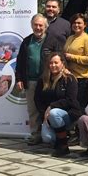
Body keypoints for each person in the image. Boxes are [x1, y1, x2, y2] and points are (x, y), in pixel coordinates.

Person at [16, 13, 60, 145]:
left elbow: (59, 59)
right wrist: (19, 79)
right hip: (31, 81)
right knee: (33, 110)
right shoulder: (26, 41)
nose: (38, 27)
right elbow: (20, 62)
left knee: (50, 108)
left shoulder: (53, 40)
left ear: (45, 27)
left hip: (49, 81)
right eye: (35, 25)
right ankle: (35, 135)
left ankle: (55, 135)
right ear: (31, 26)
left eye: (41, 25)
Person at [34, 52, 80, 157]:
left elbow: (70, 100)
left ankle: (63, 146)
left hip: (67, 115)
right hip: (49, 116)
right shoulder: (43, 80)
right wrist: (44, 114)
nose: (53, 65)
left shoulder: (69, 79)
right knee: (47, 138)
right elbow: (37, 99)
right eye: (51, 63)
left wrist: (51, 106)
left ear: (62, 63)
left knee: (54, 113)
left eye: (56, 62)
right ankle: (61, 137)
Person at [63, 13, 88, 112]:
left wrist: (71, 57)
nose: (76, 25)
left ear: (85, 25)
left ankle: (81, 127)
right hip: (70, 77)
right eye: (74, 23)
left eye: (79, 23)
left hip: (82, 79)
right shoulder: (70, 38)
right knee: (71, 105)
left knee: (80, 106)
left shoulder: (87, 39)